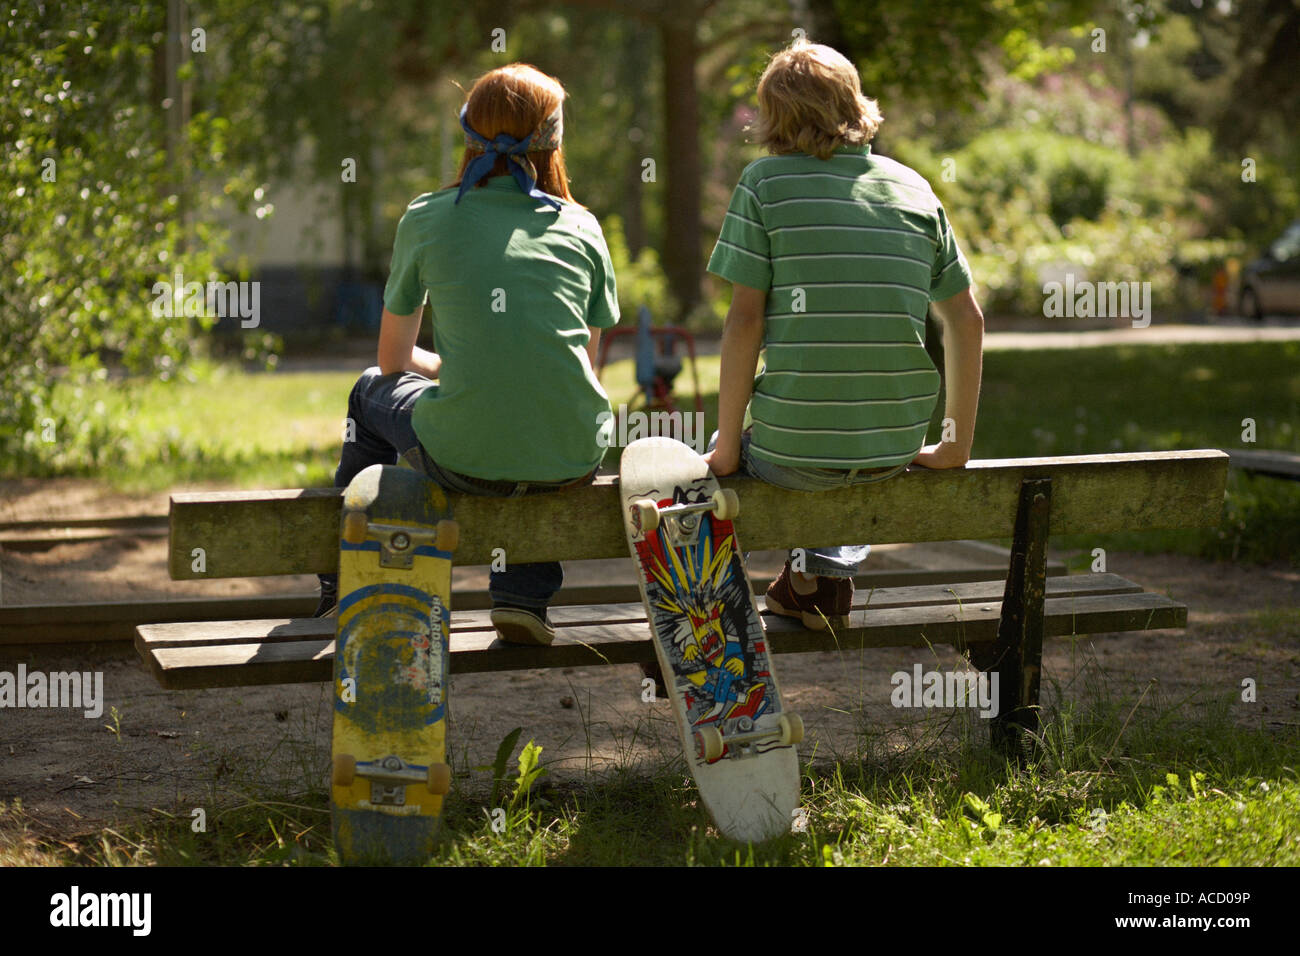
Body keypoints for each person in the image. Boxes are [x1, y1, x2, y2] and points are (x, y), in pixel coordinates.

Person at [317, 63, 620, 646]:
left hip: (460, 455)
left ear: (468, 135)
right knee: (535, 421)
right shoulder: (582, 227)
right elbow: (579, 364)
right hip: (574, 452)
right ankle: (523, 594)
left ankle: (346, 581)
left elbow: (392, 359)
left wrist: (453, 371)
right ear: (554, 141)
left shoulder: (428, 217)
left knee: (366, 390)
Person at [702, 39, 984, 630]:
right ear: (854, 104)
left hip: (791, 449)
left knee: (755, 448)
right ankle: (814, 579)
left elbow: (744, 320)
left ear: (774, 116)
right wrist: (954, 443)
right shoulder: (915, 189)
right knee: (843, 439)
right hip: (893, 444)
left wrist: (727, 445)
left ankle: (769, 591)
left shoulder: (764, 185)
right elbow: (966, 319)